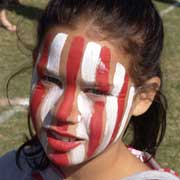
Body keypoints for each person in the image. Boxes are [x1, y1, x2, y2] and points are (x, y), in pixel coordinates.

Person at [0, 0, 179, 179]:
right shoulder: (11, 169)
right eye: (50, 79)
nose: (63, 113)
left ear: (142, 98)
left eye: (96, 91)